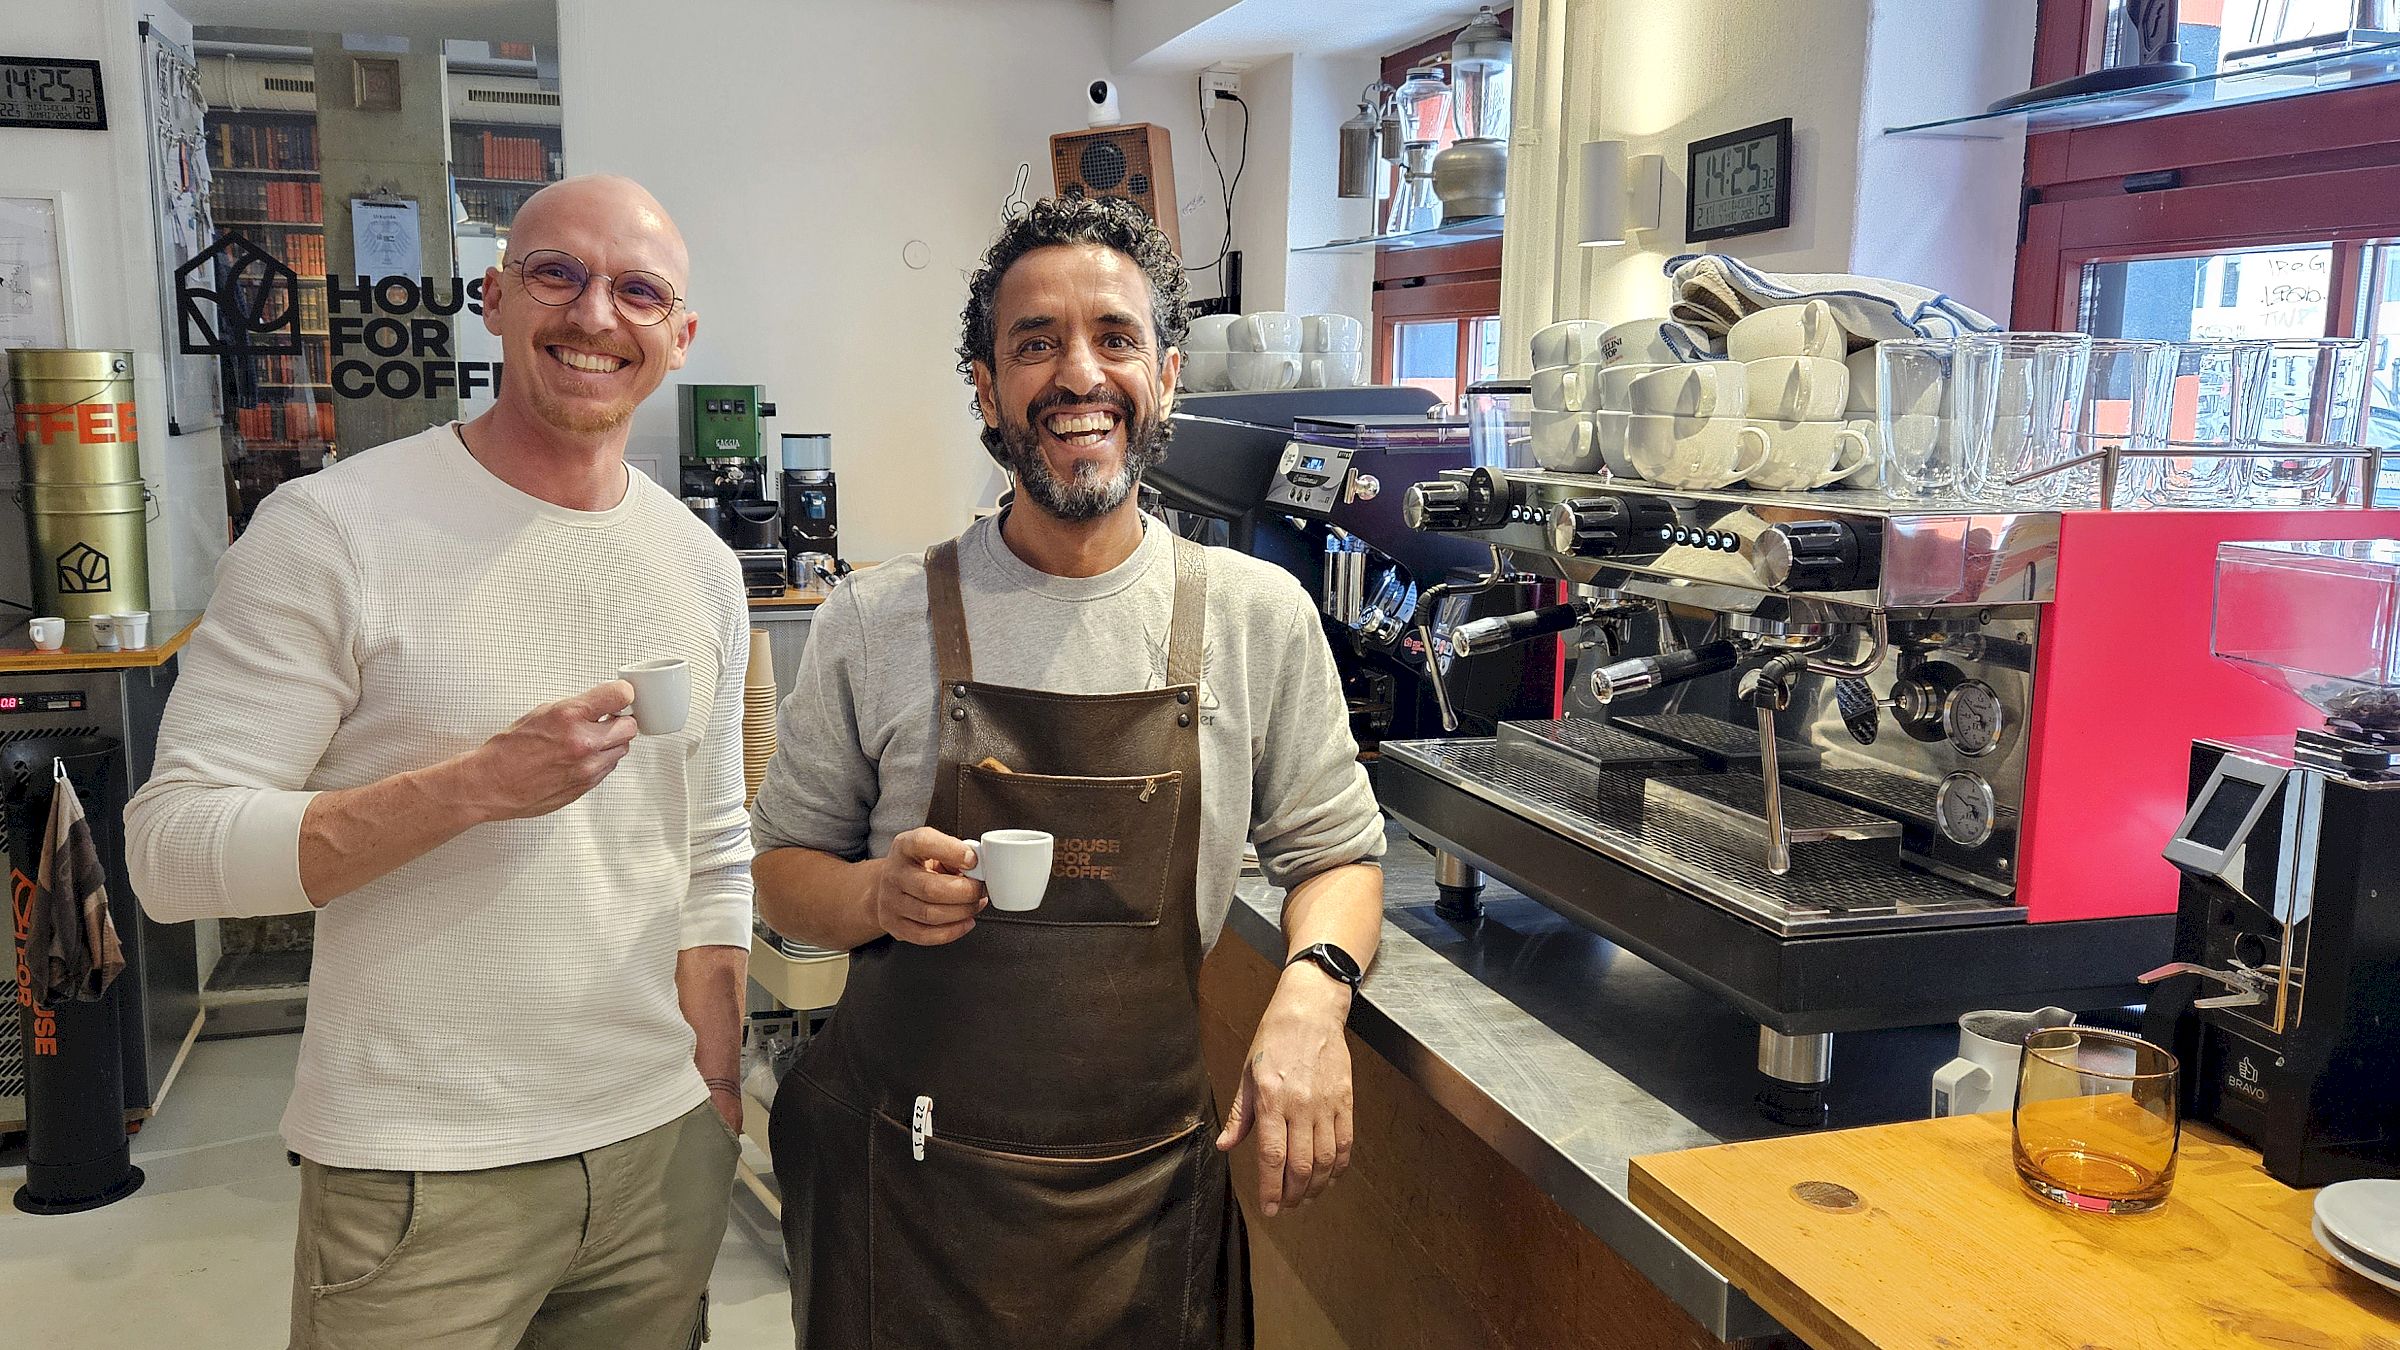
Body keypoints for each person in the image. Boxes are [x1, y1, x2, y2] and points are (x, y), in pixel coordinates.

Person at [750, 195, 1387, 1348]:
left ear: (1166, 377)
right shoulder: (876, 620)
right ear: (987, 389)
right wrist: (876, 896)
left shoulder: (1256, 618)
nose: (1078, 373)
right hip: (907, 1193)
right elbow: (783, 873)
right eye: (1035, 342)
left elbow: (1339, 854)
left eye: (1115, 337)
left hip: (1146, 1205)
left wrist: (1313, 995)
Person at [125, 175, 751, 1350]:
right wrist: (473, 789)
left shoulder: (700, 566)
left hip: (658, 1153)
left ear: (680, 336)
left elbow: (711, 848)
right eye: (557, 274)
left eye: (639, 291)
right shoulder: (332, 531)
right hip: (419, 1173)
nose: (596, 315)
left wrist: (715, 1086)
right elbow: (172, 854)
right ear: (494, 298)